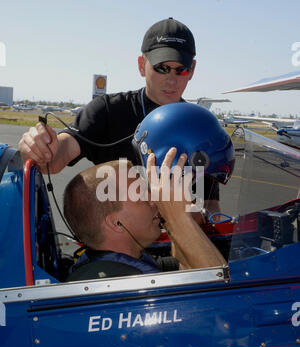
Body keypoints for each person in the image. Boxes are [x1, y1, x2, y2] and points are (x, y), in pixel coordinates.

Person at [18, 17, 220, 210]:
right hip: (116, 243)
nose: (171, 79)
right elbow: (54, 160)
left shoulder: (200, 127)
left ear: (192, 70)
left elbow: (211, 206)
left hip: (176, 243)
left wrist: (197, 219)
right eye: (162, 68)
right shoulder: (107, 110)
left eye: (181, 70)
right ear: (142, 65)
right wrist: (40, 149)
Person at [63, 148, 226, 282]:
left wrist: (176, 219)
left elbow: (184, 268)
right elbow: (225, 297)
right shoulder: (121, 287)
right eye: (141, 195)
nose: (154, 201)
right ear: (116, 223)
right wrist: (178, 218)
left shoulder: (116, 263)